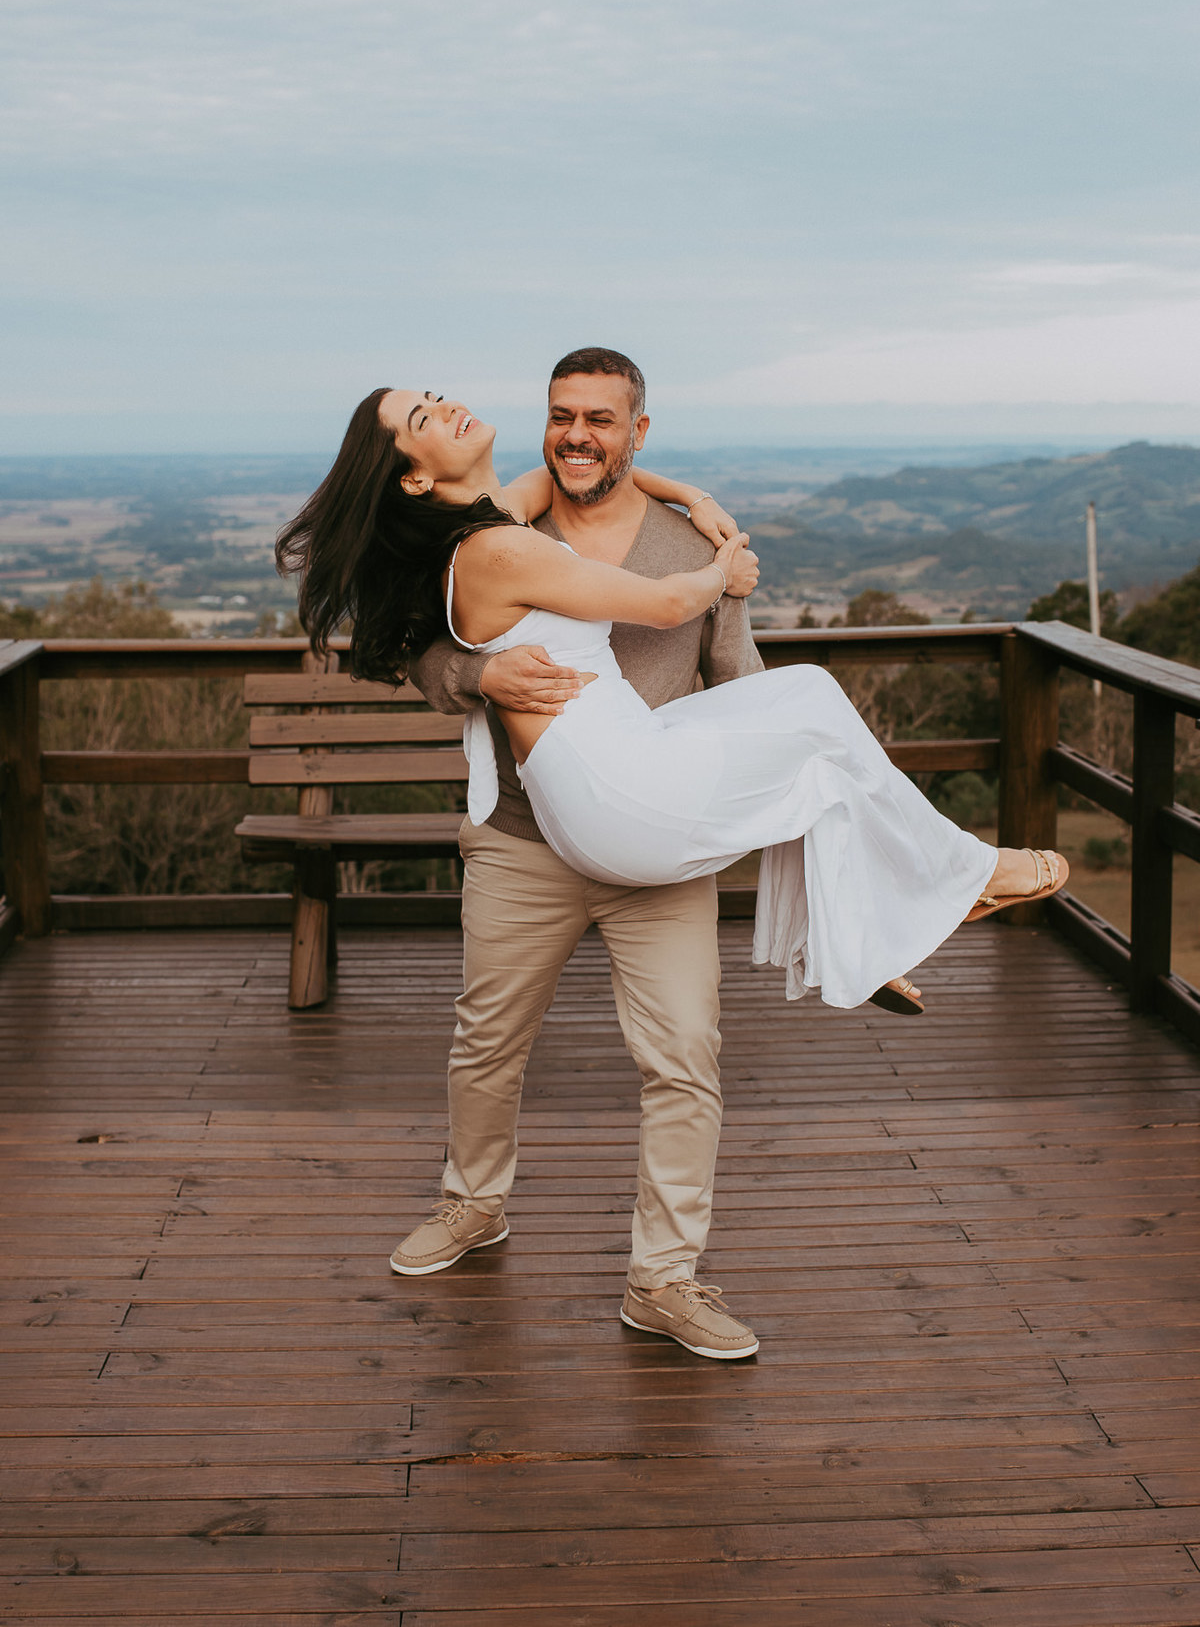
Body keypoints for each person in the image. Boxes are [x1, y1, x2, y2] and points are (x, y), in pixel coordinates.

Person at [277, 353, 1067, 1361]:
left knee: (690, 1048)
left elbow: (734, 671)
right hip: (549, 828)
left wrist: (694, 501)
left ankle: (665, 1280)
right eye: (561, 417)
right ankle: (472, 1207)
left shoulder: (532, 514)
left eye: (599, 420)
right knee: (487, 1043)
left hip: (645, 799)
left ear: (635, 432)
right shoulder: (504, 542)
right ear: (423, 477)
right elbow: (644, 609)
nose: (576, 434)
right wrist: (709, 577)